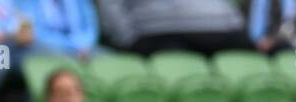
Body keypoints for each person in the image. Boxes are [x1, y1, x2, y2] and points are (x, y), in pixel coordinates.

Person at [95, 0, 250, 55]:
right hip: (158, 32)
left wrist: (235, 21)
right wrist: (128, 39)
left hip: (221, 28)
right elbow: (110, 4)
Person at [24, 0, 100, 57]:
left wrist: (83, 45)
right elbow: (35, 32)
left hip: (84, 47)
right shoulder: (30, 2)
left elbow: (90, 25)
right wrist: (72, 47)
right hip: (49, 48)